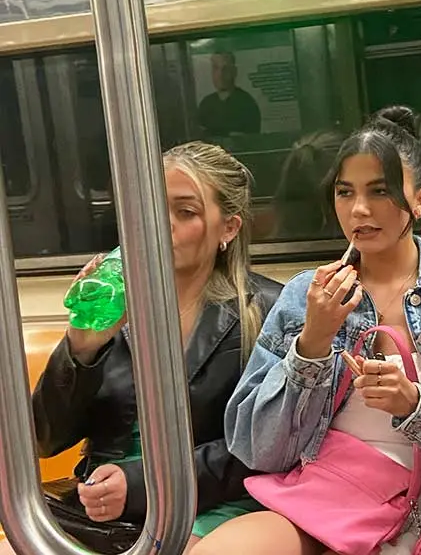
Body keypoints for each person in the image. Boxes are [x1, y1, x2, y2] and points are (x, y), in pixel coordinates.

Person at [203, 106, 421, 555]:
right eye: (345, 192)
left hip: (419, 499)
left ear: (420, 201)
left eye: (381, 191)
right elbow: (257, 449)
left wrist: (414, 404)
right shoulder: (305, 294)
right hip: (323, 489)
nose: (360, 209)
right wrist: (312, 342)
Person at [13, 142, 282, 555]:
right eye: (152, 207)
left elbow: (260, 445)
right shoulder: (115, 304)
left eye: (185, 212)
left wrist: (139, 485)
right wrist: (82, 349)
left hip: (215, 502)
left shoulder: (267, 311)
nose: (161, 224)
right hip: (104, 508)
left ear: (228, 229)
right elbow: (44, 440)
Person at [197, 51, 261, 137]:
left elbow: (252, 139)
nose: (220, 74)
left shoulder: (247, 103)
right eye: (216, 68)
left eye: (225, 69)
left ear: (234, 72)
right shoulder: (206, 104)